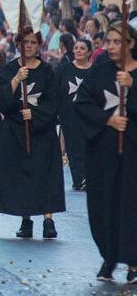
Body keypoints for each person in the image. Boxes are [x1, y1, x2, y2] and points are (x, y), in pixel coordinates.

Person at [75, 22, 137, 282]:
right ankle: (109, 257)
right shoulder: (99, 72)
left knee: (131, 205)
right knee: (104, 205)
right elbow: (82, 104)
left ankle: (134, 261)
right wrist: (107, 120)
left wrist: (132, 86)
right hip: (104, 153)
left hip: (133, 153)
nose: (110, 47)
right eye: (108, 42)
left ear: (131, 44)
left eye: (116, 42)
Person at [0, 26, 64, 239]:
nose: (29, 46)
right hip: (15, 131)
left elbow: (53, 100)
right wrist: (15, 79)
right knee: (22, 176)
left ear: (39, 45)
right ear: (18, 45)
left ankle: (48, 220)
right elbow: (1, 99)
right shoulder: (8, 70)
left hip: (41, 131)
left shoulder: (47, 71)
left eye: (33, 42)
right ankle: (26, 219)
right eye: (25, 43)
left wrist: (35, 114)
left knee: (45, 174)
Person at [56, 37, 92, 191]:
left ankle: (88, 176)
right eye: (76, 48)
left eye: (82, 48)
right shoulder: (63, 70)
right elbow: (55, 91)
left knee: (88, 146)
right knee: (73, 147)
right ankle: (79, 179)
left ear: (89, 52)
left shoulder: (95, 71)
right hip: (68, 114)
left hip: (89, 116)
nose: (78, 51)